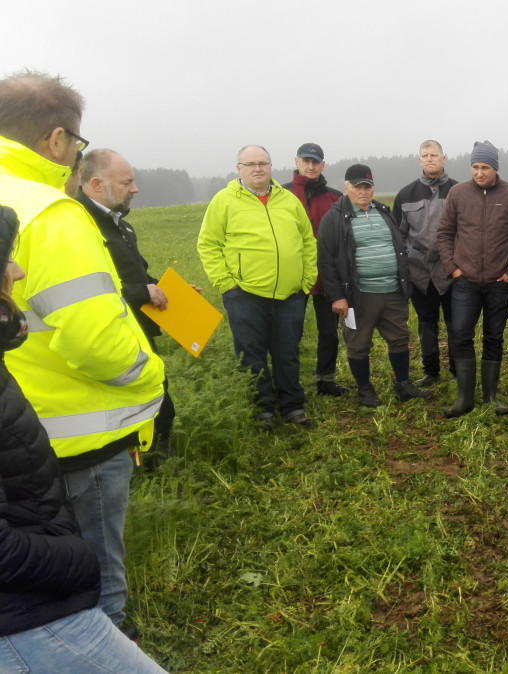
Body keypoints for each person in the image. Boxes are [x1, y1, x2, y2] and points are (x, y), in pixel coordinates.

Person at [0, 72, 164, 638]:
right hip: (78, 434)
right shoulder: (50, 212)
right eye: (77, 143)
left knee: (36, 568)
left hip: (15, 427)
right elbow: (95, 338)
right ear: (55, 140)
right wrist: (151, 377)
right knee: (95, 567)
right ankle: (107, 642)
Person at [197, 145, 317, 429]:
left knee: (287, 352)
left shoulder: (287, 199)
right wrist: (226, 284)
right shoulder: (223, 201)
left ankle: (292, 406)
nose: (257, 169)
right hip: (245, 295)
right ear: (239, 168)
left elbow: (308, 240)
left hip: (290, 294)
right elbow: (208, 244)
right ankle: (262, 409)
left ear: (271, 166)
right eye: (250, 164)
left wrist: (306, 280)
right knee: (251, 354)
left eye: (262, 163)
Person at [75, 149, 176, 464]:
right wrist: (142, 292)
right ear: (96, 184)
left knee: (157, 390)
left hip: (139, 329)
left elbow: (135, 275)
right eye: (127, 182)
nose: (135, 189)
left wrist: (162, 289)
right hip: (112, 333)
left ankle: (156, 455)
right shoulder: (79, 225)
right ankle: (144, 461)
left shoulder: (120, 225)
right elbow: (87, 289)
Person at [437, 141, 508, 417]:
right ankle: (465, 397)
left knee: (494, 337)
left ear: (495, 168)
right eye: (475, 167)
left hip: (498, 283)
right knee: (460, 335)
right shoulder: (457, 194)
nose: (480, 173)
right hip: (464, 282)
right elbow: (444, 233)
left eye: (486, 167)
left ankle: (491, 395)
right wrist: (452, 269)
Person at [318, 164, 429, 407]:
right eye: (357, 187)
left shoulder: (384, 212)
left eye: (367, 186)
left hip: (392, 290)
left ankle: (403, 384)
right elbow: (326, 262)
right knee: (358, 345)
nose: (363, 191)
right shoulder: (334, 218)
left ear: (373, 188)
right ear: (346, 188)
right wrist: (337, 296)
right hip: (359, 296)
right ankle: (365, 390)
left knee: (399, 338)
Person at [283, 142, 347, 397]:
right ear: (296, 162)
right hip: (293, 277)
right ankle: (289, 384)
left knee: (329, 332)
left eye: (315, 162)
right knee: (289, 334)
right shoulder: (282, 194)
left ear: (323, 165)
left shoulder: (335, 198)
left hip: (327, 277)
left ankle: (325, 380)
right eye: (305, 161)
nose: (310, 166)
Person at [394, 140, 457, 387]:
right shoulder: (405, 195)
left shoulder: (459, 191)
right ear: (419, 160)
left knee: (456, 323)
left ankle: (456, 369)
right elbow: (398, 236)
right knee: (426, 323)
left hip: (451, 271)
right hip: (419, 274)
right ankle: (431, 372)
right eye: (425, 155)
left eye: (434, 155)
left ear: (444, 158)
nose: (430, 159)